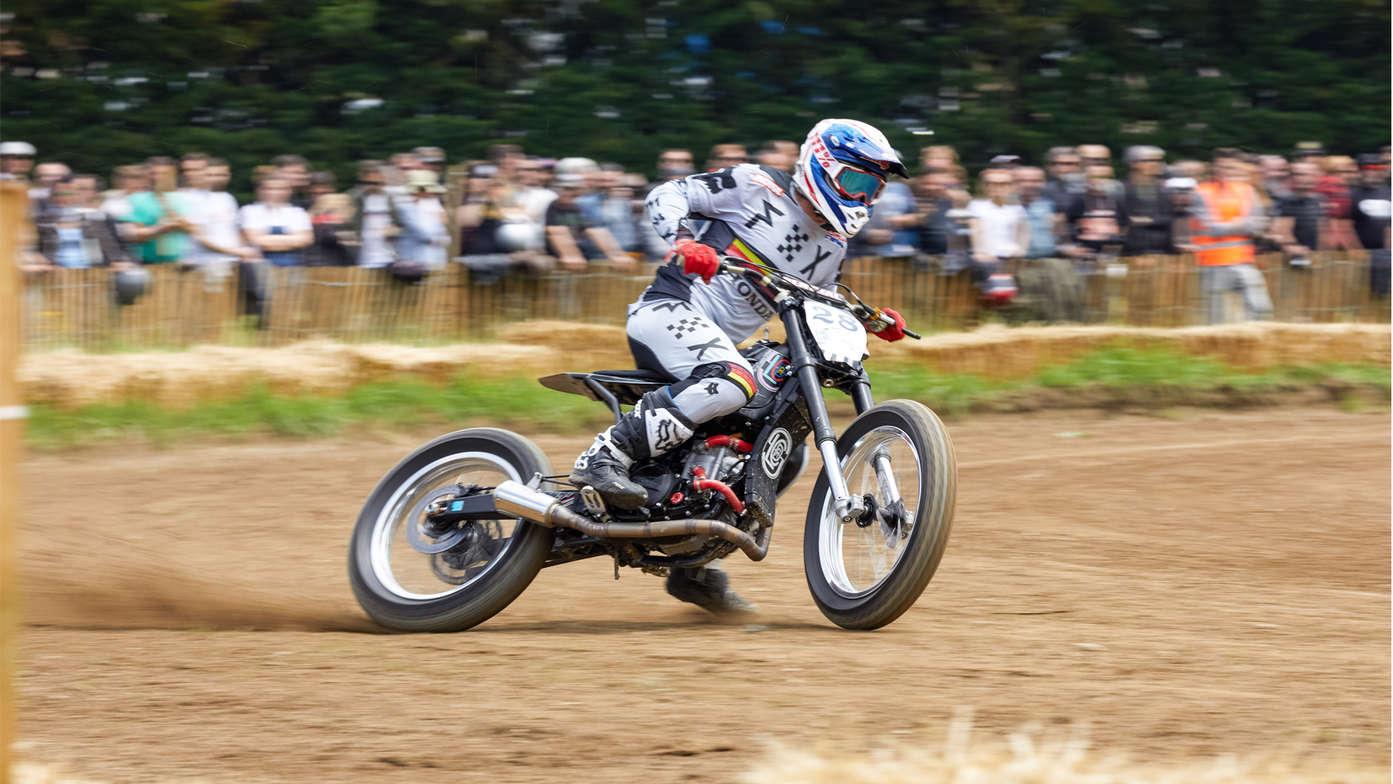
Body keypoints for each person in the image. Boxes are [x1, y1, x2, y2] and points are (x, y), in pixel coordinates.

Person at [569, 118, 909, 615]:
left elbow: (823, 301)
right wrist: (685, 241)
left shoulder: (832, 245)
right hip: (668, 312)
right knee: (733, 381)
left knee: (783, 445)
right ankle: (604, 458)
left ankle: (692, 565)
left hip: (717, 346)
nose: (863, 199)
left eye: (873, 190)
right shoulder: (755, 185)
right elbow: (669, 194)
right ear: (823, 167)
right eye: (857, 183)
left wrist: (872, 318)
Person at [1190, 148, 1273, 323]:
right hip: (1213, 263)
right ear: (1214, 167)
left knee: (1261, 309)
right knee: (1215, 318)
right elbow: (1213, 229)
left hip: (1243, 261)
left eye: (1231, 168)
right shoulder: (1202, 192)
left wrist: (1232, 225)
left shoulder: (1247, 191)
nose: (1226, 172)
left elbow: (1259, 226)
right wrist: (1243, 224)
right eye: (1223, 167)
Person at [32, 175, 132, 270]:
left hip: (89, 272)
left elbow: (109, 246)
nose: (63, 197)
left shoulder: (93, 218)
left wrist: (118, 261)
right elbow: (37, 249)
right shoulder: (44, 221)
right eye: (58, 193)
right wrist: (46, 262)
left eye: (68, 193)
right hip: (55, 274)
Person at [122, 157, 195, 264]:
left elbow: (194, 229)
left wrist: (182, 224)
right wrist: (162, 228)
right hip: (148, 262)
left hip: (181, 262)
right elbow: (132, 235)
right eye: (154, 173)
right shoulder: (136, 199)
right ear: (148, 175)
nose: (158, 177)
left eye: (164, 174)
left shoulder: (184, 198)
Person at [239, 174, 313, 267]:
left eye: (280, 189)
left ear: (289, 191)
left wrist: (265, 238)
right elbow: (254, 240)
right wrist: (292, 239)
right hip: (257, 266)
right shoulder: (249, 211)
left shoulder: (298, 212)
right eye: (268, 189)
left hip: (293, 266)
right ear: (259, 190)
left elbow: (306, 240)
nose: (273, 192)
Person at [1119, 145, 1174, 255]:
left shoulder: (1166, 190)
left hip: (1162, 253)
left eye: (1160, 160)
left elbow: (1172, 217)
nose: (1158, 164)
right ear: (1134, 163)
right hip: (1131, 253)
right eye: (1152, 160)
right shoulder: (1122, 189)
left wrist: (1149, 220)